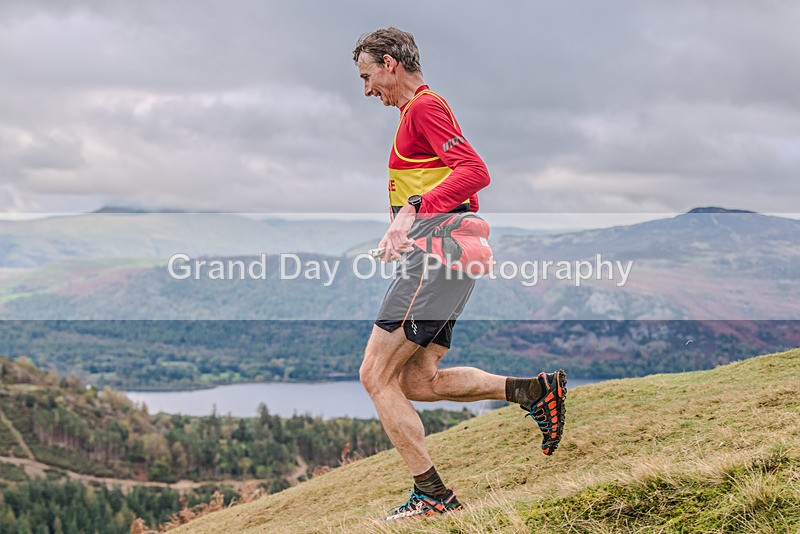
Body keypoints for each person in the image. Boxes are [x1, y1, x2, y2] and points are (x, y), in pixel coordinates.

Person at [353, 27, 567, 522]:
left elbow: (474, 170)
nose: (367, 91)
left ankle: (432, 496)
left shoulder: (425, 107)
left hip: (434, 258)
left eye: (368, 77)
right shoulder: (417, 112)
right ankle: (533, 392)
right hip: (443, 261)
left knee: (374, 375)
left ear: (389, 63)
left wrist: (411, 211)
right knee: (419, 382)